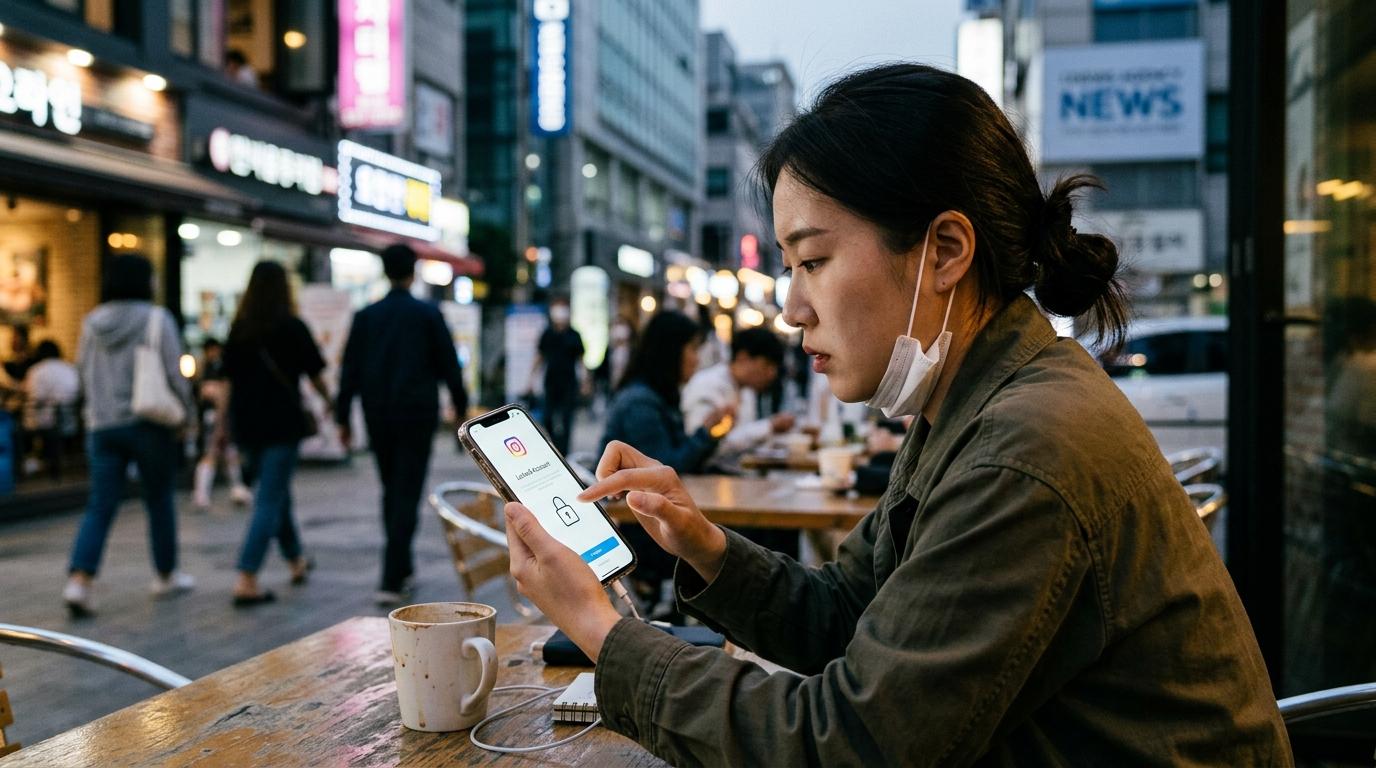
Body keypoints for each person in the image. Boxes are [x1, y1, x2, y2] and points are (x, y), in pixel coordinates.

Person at [500, 64, 1290, 764]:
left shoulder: (1027, 447)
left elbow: (851, 743)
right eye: (787, 266)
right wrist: (702, 544)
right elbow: (852, 612)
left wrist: (606, 635)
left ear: (945, 250)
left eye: (813, 260)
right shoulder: (973, 400)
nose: (791, 307)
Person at [335, 243, 469, 605]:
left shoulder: (366, 316)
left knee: (391, 487)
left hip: (377, 412)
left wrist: (343, 415)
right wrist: (460, 407)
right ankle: (391, 576)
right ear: (413, 272)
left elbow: (349, 369)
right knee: (406, 491)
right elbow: (449, 365)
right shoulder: (427, 314)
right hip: (416, 413)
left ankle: (402, 566)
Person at [63, 255, 196, 618]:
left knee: (100, 504)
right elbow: (174, 372)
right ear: (144, 281)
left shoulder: (91, 322)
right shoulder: (157, 318)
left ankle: (79, 578)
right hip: (148, 423)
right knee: (158, 498)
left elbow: (82, 370)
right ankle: (166, 574)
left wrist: (95, 411)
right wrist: (187, 413)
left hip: (102, 425)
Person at [599, 310, 733, 609]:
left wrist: (707, 433)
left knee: (744, 536)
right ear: (671, 351)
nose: (697, 359)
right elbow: (666, 469)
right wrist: (707, 435)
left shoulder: (656, 396)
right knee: (742, 538)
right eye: (692, 349)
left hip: (652, 521)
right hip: (641, 530)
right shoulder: (640, 403)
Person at [222, 261, 330, 606]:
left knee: (275, 493)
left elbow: (227, 382)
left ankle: (296, 559)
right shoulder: (292, 326)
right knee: (269, 498)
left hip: (247, 426)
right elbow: (315, 373)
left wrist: (223, 429)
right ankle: (247, 576)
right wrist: (331, 404)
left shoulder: (239, 329)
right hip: (282, 425)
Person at [681, 326, 794, 466]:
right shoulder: (707, 385)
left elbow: (744, 443)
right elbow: (706, 446)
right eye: (767, 365)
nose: (772, 374)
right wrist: (769, 425)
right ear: (743, 358)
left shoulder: (746, 391)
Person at [192, 338, 251, 510]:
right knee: (214, 453)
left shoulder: (206, 369)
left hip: (216, 417)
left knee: (227, 454)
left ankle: (236, 489)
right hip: (216, 417)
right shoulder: (213, 369)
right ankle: (202, 494)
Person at [528, 299, 584, 454]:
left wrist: (586, 380)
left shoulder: (574, 334)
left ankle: (564, 450)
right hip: (551, 381)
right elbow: (539, 356)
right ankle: (553, 444)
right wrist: (530, 379)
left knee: (567, 417)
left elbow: (581, 359)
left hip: (569, 381)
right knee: (547, 416)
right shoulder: (547, 333)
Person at [21, 339, 80, 478]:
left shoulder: (36, 371)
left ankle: (31, 460)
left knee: (20, 420)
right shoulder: (69, 368)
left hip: (44, 421)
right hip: (70, 420)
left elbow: (34, 396)